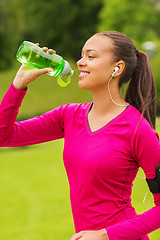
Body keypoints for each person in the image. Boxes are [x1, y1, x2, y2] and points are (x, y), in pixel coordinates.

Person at [0, 31, 160, 240]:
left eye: (91, 56)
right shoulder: (68, 115)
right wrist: (19, 83)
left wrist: (104, 235)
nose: (80, 62)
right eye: (81, 55)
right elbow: (5, 136)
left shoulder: (137, 129)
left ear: (117, 68)